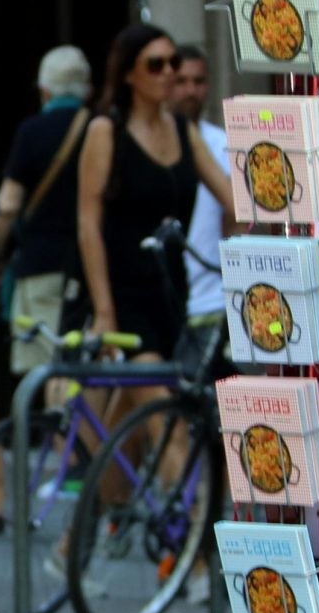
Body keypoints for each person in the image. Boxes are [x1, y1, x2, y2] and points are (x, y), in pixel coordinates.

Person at [76, 23, 235, 364]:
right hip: (123, 293)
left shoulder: (183, 131)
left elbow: (233, 199)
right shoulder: (106, 132)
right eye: (155, 64)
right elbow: (88, 224)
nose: (168, 73)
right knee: (165, 412)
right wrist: (104, 310)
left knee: (134, 410)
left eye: (173, 63)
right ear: (129, 74)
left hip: (172, 291)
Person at [0, 44, 95, 369]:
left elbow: (8, 205)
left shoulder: (32, 132)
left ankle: (58, 420)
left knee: (49, 367)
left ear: (45, 90)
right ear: (87, 88)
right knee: (87, 364)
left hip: (41, 264)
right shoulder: (104, 127)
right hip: (91, 267)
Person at [167, 44, 230, 381]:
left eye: (199, 81)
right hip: (160, 299)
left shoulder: (221, 144)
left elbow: (236, 217)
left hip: (209, 299)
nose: (191, 90)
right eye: (182, 81)